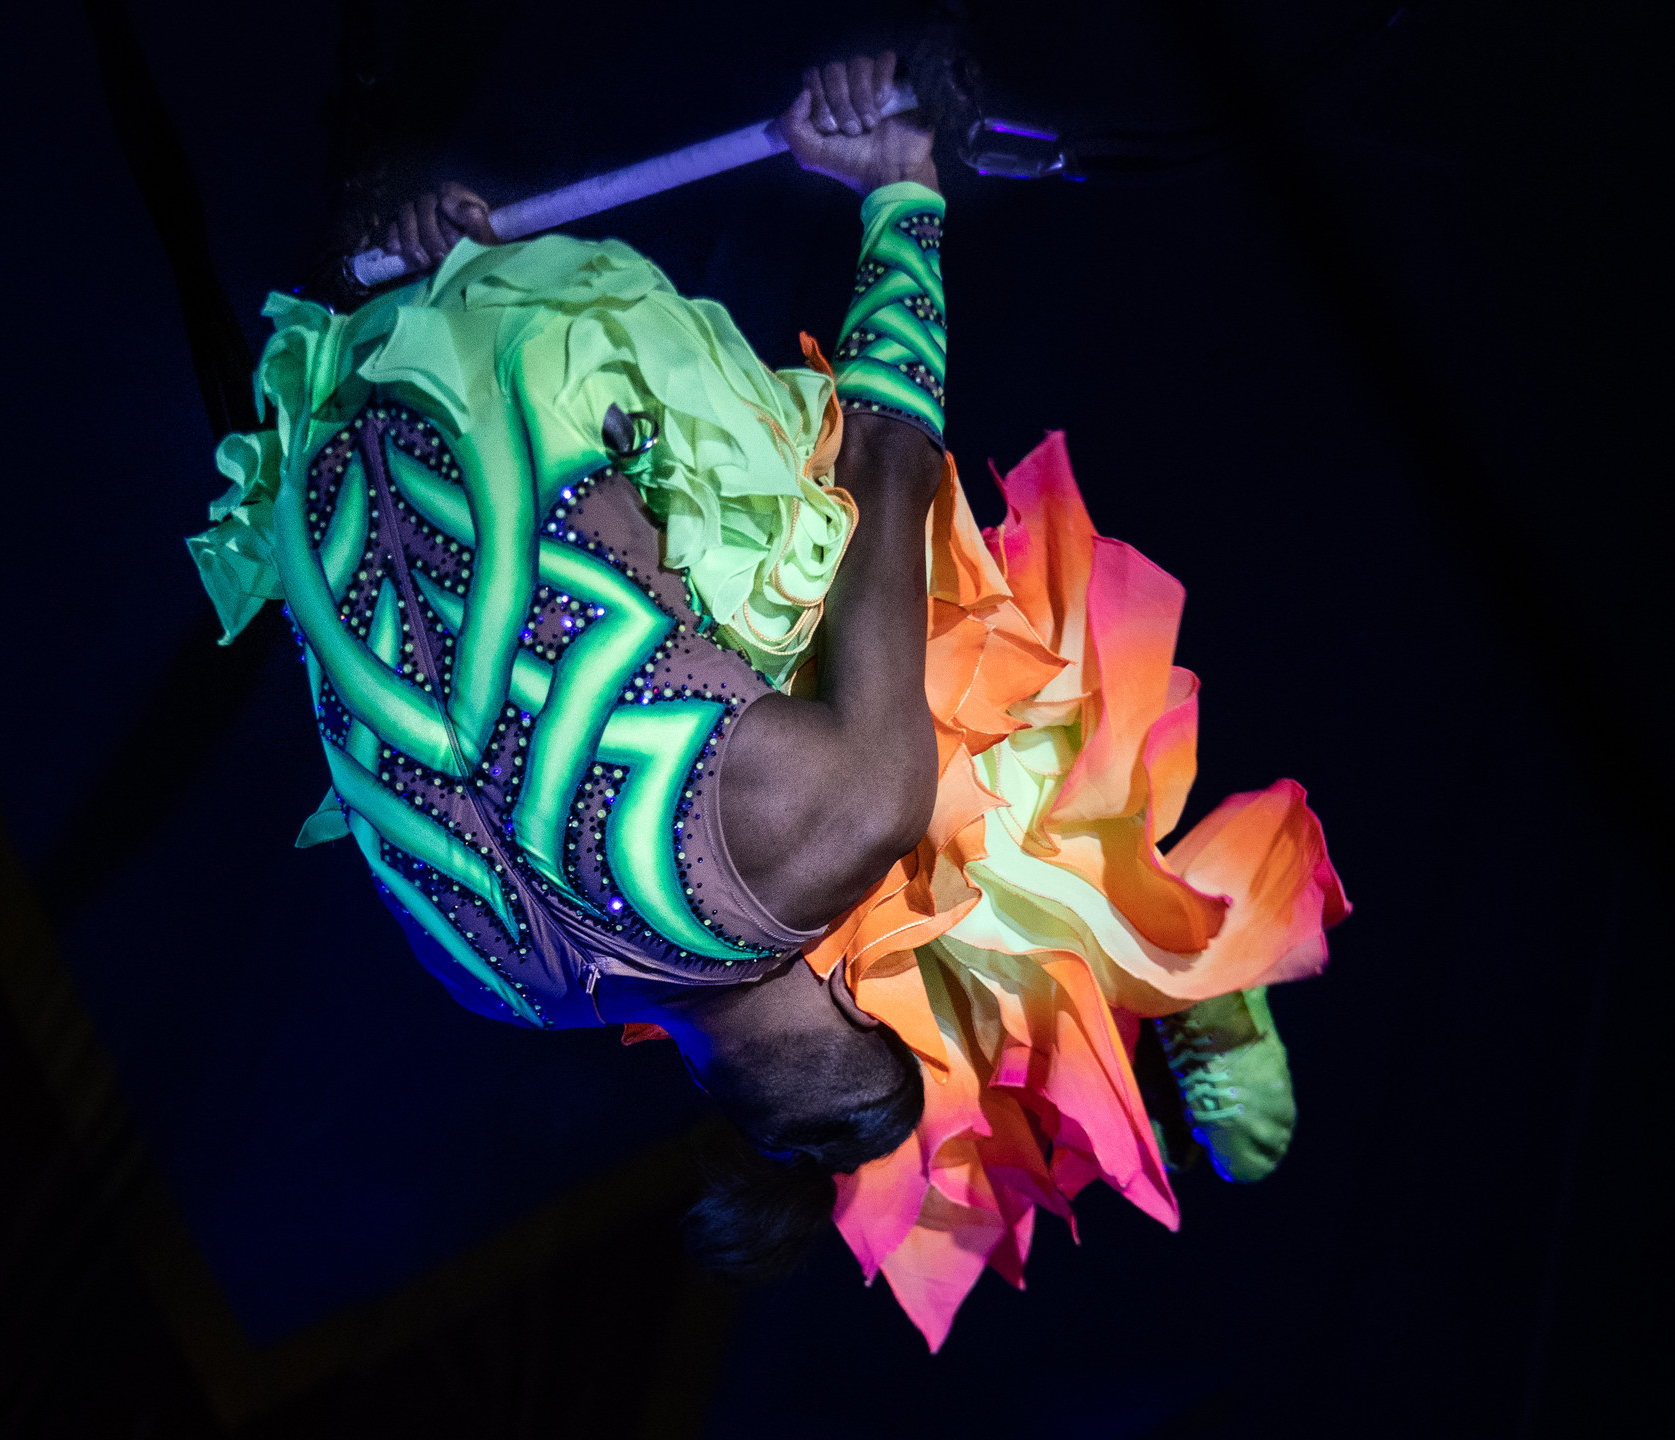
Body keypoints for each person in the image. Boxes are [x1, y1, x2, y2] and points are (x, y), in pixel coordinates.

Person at [188, 52, 1349, 1345]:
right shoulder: (484, 984)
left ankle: (1173, 949)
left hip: (530, 349)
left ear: (854, 993)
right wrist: (405, 274)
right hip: (348, 386)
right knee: (915, 735)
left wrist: (900, 194)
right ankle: (1164, 957)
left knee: (906, 659)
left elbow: (890, 462)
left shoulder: (828, 829)